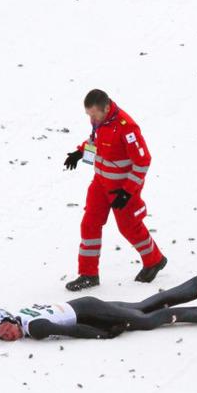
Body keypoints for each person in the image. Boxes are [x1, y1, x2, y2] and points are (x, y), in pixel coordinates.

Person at [63, 89, 167, 291]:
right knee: (89, 224)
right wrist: (80, 152)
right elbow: (96, 142)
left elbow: (143, 161)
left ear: (107, 108)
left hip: (121, 187)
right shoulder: (100, 121)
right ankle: (88, 274)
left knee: (129, 227)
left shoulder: (126, 128)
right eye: (88, 115)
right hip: (100, 183)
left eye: (94, 114)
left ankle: (154, 259)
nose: (91, 119)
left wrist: (128, 191)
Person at [0, 272, 197, 340]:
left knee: (144, 320)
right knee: (143, 307)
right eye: (3, 337)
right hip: (85, 307)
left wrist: (103, 335)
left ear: (11, 320)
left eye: (7, 330)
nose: (9, 336)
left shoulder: (34, 328)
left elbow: (71, 330)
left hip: (89, 312)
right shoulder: (22, 316)